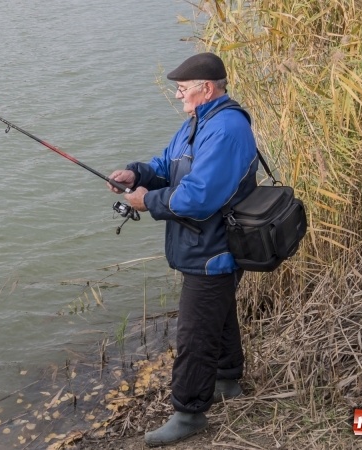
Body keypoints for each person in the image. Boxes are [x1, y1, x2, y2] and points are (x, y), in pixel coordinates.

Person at [107, 52, 259, 447]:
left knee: (193, 331)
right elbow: (166, 165)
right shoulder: (198, 123)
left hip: (215, 247)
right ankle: (227, 380)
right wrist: (136, 173)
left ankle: (189, 412)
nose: (178, 96)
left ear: (206, 89)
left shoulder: (225, 129)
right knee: (218, 314)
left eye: (182, 89)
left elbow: (199, 196)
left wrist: (147, 202)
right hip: (199, 243)